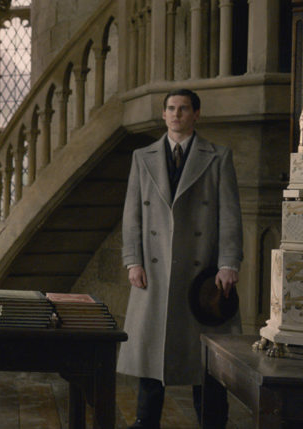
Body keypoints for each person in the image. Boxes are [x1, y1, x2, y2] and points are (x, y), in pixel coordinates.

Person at [118, 88, 243, 429]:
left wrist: (229, 263)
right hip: (154, 269)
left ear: (196, 114)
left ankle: (212, 424)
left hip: (202, 275)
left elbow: (230, 215)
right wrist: (133, 261)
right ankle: (146, 422)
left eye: (184, 108)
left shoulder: (218, 156)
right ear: (163, 114)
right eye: (171, 108)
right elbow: (132, 215)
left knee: (207, 358)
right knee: (150, 352)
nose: (176, 114)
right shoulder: (142, 157)